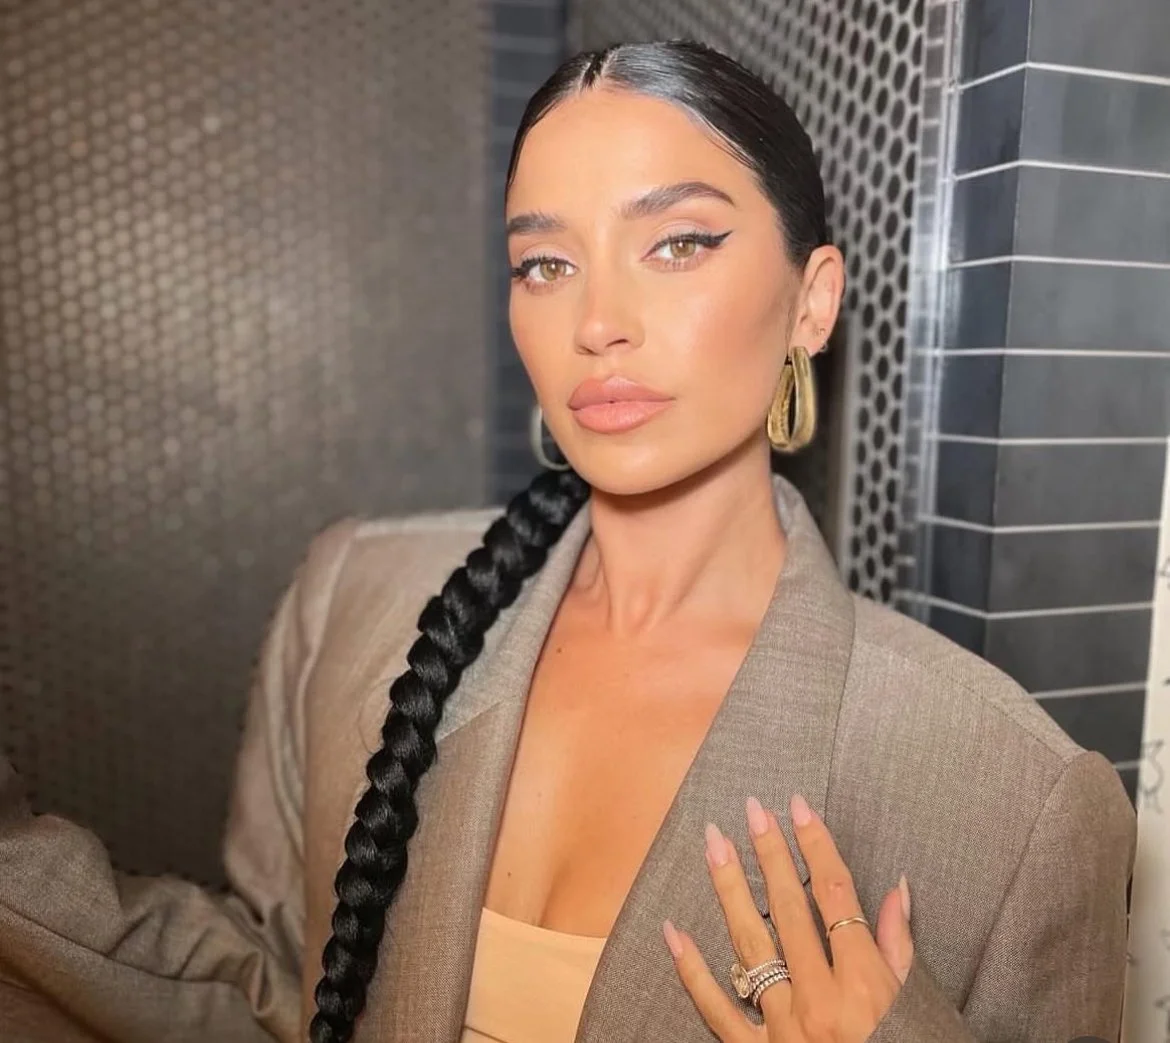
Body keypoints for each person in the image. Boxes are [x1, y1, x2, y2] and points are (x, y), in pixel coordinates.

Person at [0, 39, 1134, 1043]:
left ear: (812, 300)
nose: (596, 323)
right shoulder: (356, 600)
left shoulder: (1013, 802)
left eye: (677, 244)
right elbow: (275, 988)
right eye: (546, 263)